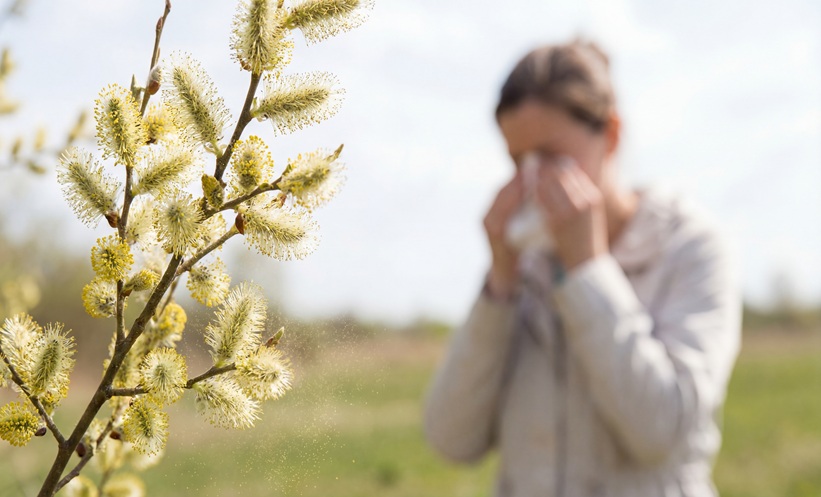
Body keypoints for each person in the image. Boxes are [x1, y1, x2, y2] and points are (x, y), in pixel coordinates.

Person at [424, 39, 741, 497]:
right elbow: (451, 439)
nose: (532, 179)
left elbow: (663, 434)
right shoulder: (526, 263)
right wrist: (499, 286)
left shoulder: (689, 247)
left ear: (610, 135)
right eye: (517, 160)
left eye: (551, 157)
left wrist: (588, 271)